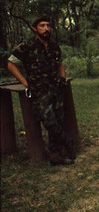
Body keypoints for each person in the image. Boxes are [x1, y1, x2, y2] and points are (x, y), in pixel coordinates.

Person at [7, 14, 74, 165]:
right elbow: (10, 64)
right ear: (35, 28)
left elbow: (60, 64)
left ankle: (56, 156)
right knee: (49, 121)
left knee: (59, 119)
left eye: (48, 26)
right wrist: (25, 82)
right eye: (42, 26)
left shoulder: (54, 46)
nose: (46, 29)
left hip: (55, 89)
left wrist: (62, 79)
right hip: (39, 90)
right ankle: (68, 143)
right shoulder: (27, 46)